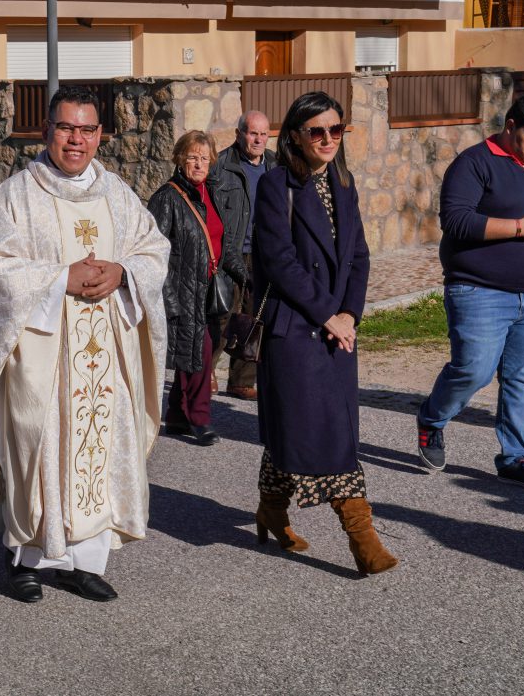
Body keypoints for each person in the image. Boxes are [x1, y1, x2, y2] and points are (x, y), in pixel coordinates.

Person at [0, 85, 169, 604]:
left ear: (101, 135)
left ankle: (82, 560)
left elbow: (153, 248)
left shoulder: (116, 193)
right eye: (66, 128)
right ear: (47, 130)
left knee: (97, 453)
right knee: (35, 450)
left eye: (87, 129)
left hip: (103, 358)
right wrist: (60, 279)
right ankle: (26, 558)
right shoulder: (18, 195)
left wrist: (122, 272)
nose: (76, 139)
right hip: (41, 355)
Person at [251, 91, 396, 575]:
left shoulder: (345, 182)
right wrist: (327, 314)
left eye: (337, 130)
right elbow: (280, 262)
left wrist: (351, 313)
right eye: (317, 131)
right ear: (295, 135)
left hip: (338, 331)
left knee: (313, 432)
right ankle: (363, 538)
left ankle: (271, 509)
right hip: (296, 331)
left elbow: (358, 256)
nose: (329, 139)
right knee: (323, 433)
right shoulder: (277, 186)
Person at [416, 95, 524, 490]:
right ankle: (432, 419)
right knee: (473, 370)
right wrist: (518, 227)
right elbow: (456, 221)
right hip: (478, 291)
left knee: (523, 377)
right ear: (510, 126)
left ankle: (515, 457)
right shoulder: (473, 163)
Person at [147, 130, 246, 446]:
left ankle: (176, 415)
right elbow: (152, 254)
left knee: (197, 352)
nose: (199, 163)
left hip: (210, 293)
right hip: (183, 292)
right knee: (200, 355)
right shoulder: (166, 198)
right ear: (179, 159)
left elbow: (224, 244)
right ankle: (198, 418)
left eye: (205, 158)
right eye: (192, 157)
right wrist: (169, 301)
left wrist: (245, 276)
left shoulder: (212, 194)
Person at [214, 110, 276, 400]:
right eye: (253, 133)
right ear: (239, 134)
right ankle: (206, 373)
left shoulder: (276, 165)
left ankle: (241, 381)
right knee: (222, 315)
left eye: (264, 134)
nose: (259, 139)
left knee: (253, 317)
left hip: (262, 253)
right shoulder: (221, 164)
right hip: (229, 252)